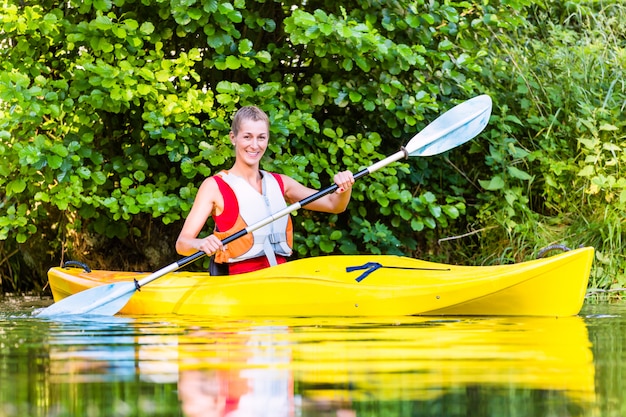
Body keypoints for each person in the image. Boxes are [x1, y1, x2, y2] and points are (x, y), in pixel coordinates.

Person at [176, 106, 355, 275]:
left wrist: (344, 187)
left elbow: (333, 205)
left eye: (261, 137)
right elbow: (182, 244)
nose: (254, 145)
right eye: (247, 137)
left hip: (279, 279)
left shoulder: (280, 183)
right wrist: (200, 243)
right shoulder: (214, 186)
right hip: (240, 284)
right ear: (233, 137)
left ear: (268, 139)